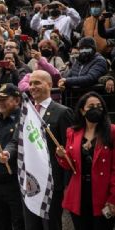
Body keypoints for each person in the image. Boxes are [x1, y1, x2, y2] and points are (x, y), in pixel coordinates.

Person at [2, 70, 74, 230]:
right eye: (31, 83)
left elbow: (69, 150)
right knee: (31, 226)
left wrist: (67, 184)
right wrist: (8, 152)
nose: (32, 87)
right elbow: (16, 141)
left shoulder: (62, 112)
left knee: (50, 225)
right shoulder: (25, 112)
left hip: (52, 182)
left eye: (37, 83)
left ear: (49, 84)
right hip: (29, 181)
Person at [56, 92, 115, 230]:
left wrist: (113, 198)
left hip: (103, 194)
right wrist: (61, 155)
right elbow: (69, 166)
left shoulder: (111, 131)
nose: (96, 109)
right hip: (78, 194)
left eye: (99, 106)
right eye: (91, 106)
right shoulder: (72, 132)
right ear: (82, 111)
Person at [0, 84, 24, 230]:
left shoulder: (24, 119)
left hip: (16, 182)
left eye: (4, 99)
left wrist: (7, 153)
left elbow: (15, 142)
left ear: (16, 100)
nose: (0, 102)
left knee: (19, 223)